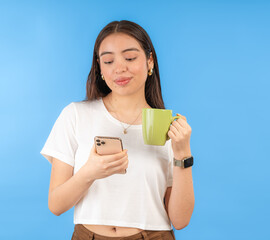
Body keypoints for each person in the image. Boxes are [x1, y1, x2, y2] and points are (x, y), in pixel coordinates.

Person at [40, 20, 195, 240]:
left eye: (130, 58)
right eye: (109, 60)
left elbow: (180, 220)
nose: (119, 68)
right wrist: (89, 172)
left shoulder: (168, 126)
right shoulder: (75, 115)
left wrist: (183, 154)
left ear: (150, 61)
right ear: (100, 68)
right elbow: (56, 205)